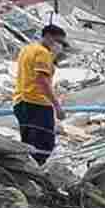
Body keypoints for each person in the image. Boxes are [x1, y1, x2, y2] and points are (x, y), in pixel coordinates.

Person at [13, 24, 68, 165]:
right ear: (48, 36)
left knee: (28, 144)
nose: (60, 46)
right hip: (37, 104)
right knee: (44, 145)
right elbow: (41, 80)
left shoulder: (27, 49)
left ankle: (28, 174)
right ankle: (37, 173)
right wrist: (57, 106)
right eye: (59, 41)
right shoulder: (43, 53)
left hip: (21, 102)